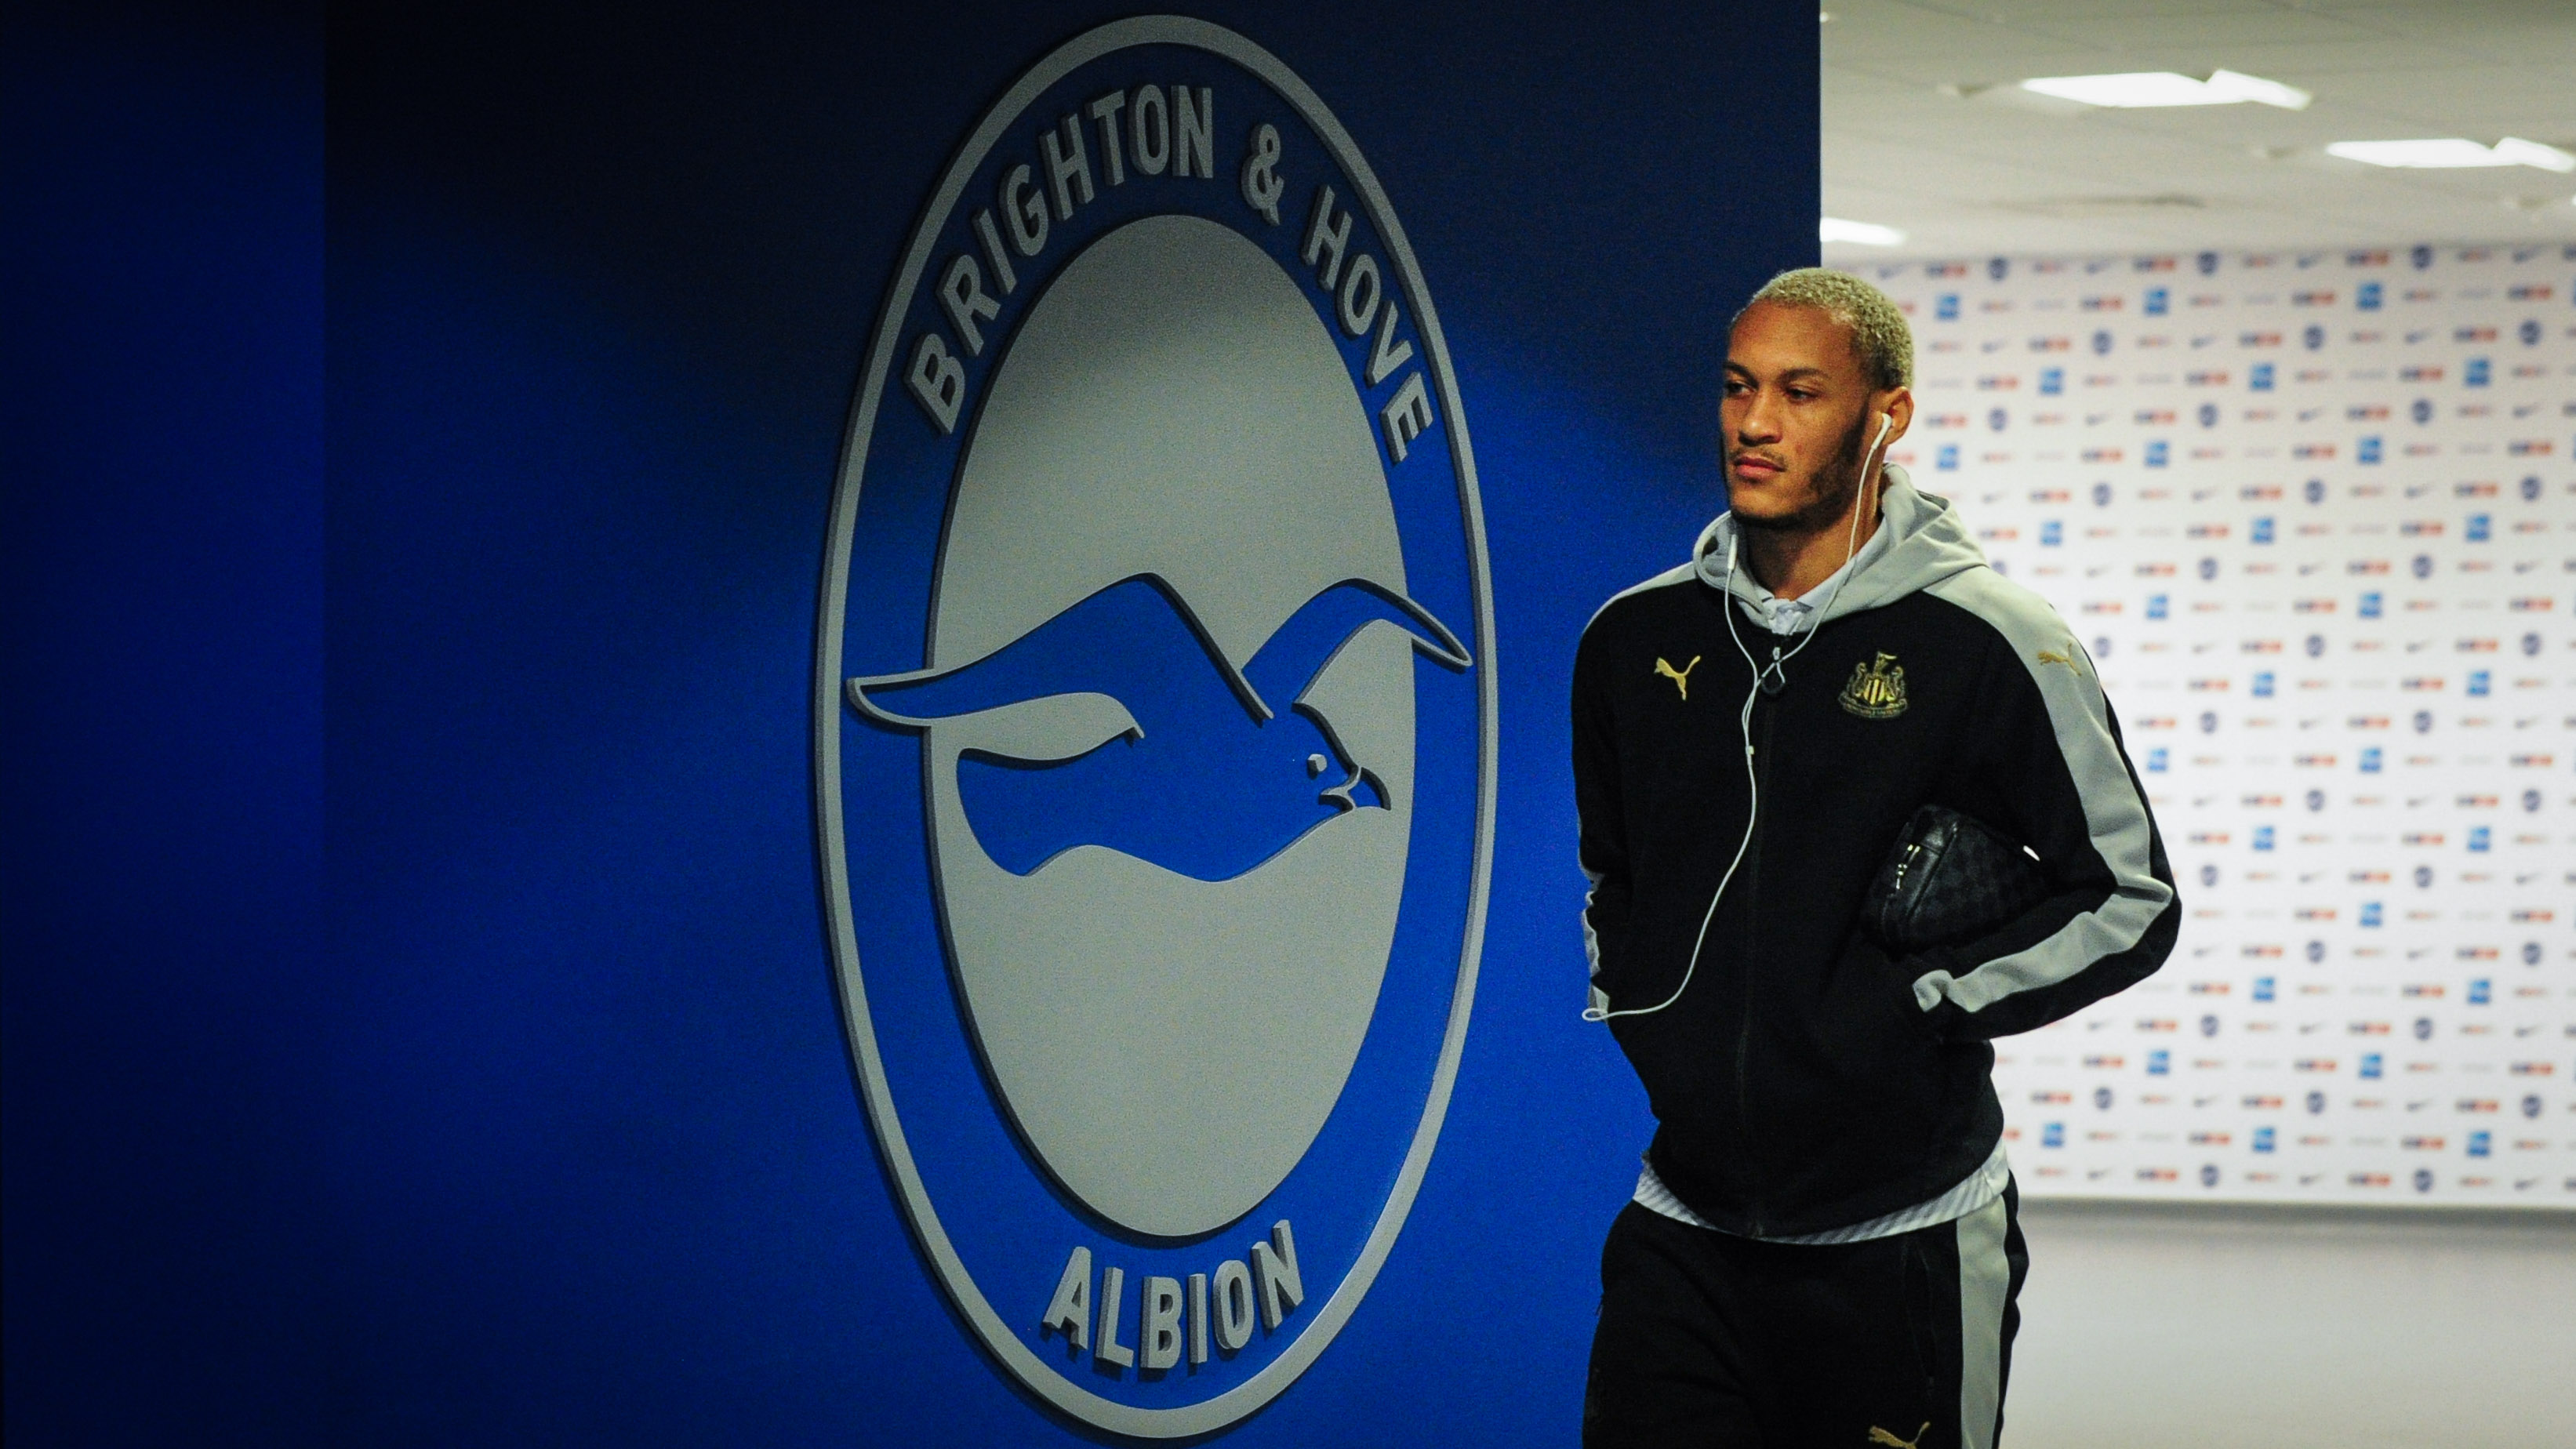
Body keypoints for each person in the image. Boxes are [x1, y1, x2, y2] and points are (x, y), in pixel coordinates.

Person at [1571, 268, 2179, 1447]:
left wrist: (1915, 1005)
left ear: (1884, 416)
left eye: (1799, 394)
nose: (1754, 423)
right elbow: (1615, 872)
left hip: (1902, 1240)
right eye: (1738, 387)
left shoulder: (1992, 641)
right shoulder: (1632, 638)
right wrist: (1642, 1001)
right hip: (1681, 1234)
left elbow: (2128, 898)